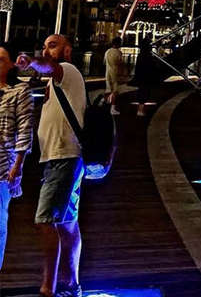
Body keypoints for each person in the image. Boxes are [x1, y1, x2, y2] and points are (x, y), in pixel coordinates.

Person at [16, 35, 86, 297]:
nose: (47, 50)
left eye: (52, 45)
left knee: (45, 220)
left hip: (63, 158)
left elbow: (48, 66)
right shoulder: (58, 83)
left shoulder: (67, 70)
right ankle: (71, 285)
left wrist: (31, 61)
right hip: (61, 157)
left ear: (67, 50)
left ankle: (49, 288)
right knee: (68, 222)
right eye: (43, 46)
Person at [0, 44, 34, 268]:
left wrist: (19, 163)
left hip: (2, 166)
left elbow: (25, 128)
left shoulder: (19, 92)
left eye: (2, 59)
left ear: (12, 64)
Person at [133, 35, 157, 117]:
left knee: (141, 92)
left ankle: (140, 109)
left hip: (140, 76)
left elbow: (137, 67)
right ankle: (140, 110)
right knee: (144, 93)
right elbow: (151, 66)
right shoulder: (148, 56)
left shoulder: (140, 55)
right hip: (146, 77)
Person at [103, 37, 124, 116]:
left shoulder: (107, 51)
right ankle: (112, 108)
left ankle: (104, 103)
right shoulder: (118, 53)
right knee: (115, 91)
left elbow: (104, 62)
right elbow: (120, 63)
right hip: (114, 73)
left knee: (108, 90)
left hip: (107, 72)